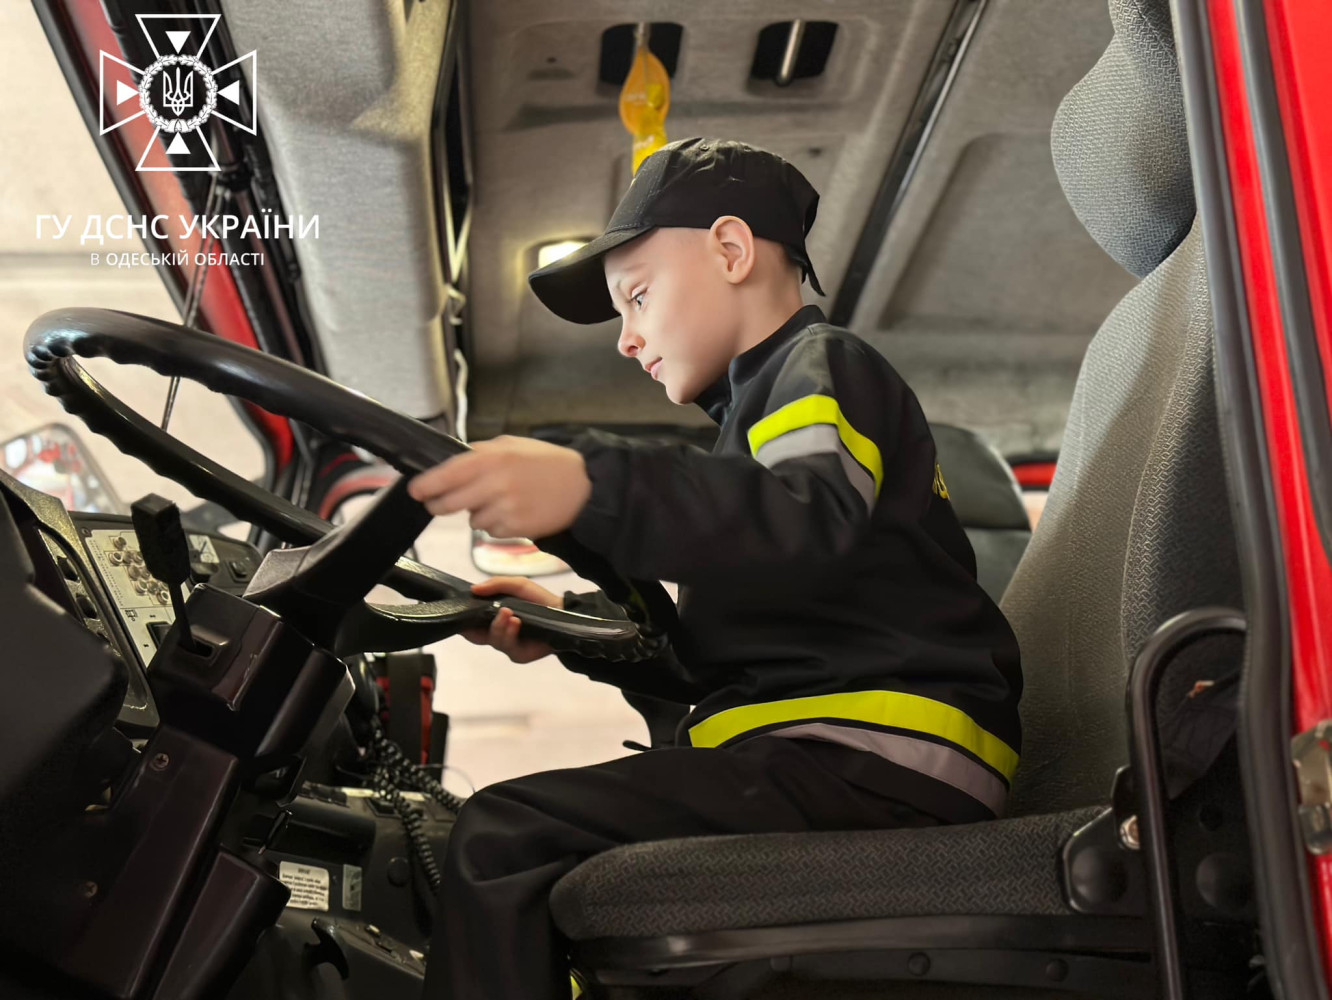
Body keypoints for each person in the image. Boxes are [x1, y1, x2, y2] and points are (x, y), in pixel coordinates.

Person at [409, 137, 1023, 1000]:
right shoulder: (750, 438)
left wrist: (589, 481)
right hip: (840, 748)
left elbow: (806, 517)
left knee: (502, 835)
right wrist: (566, 626)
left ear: (731, 250)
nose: (627, 340)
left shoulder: (820, 367)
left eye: (638, 296)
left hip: (874, 752)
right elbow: (723, 649)